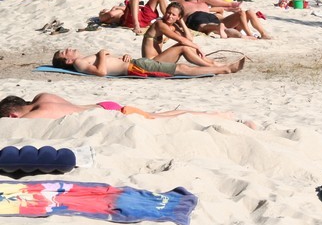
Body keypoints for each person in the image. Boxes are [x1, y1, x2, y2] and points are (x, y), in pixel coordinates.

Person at [0, 93, 256, 128]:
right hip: (106, 106)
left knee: (171, 118)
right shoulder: (42, 97)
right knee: (165, 114)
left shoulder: (31, 117)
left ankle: (226, 120)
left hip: (114, 116)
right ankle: (219, 115)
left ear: (13, 115)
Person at [51, 47, 244, 77]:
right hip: (136, 68)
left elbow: (107, 65)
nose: (68, 49)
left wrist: (122, 56)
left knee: (181, 53)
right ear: (67, 61)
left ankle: (215, 66)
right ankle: (224, 69)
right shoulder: (78, 64)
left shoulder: (82, 59)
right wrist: (102, 54)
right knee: (181, 68)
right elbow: (101, 73)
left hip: (134, 61)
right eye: (64, 52)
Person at [140, 1, 216, 66]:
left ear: (179, 17)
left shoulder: (172, 26)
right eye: (168, 13)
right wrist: (197, 47)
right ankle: (208, 65)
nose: (169, 16)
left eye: (173, 15)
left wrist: (181, 22)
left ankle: (210, 62)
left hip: (159, 59)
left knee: (187, 45)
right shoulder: (160, 24)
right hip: (150, 63)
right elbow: (182, 40)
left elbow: (189, 39)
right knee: (183, 47)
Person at [182, 0, 271, 39]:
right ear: (197, 0)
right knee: (244, 12)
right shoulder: (202, 4)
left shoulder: (185, 5)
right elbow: (220, 9)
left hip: (196, 16)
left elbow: (177, 15)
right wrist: (228, 9)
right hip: (209, 16)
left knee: (206, 26)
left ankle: (251, 35)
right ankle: (262, 34)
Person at [99, 0, 167, 34]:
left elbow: (130, 8)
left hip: (143, 14)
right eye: (104, 10)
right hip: (133, 20)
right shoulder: (113, 14)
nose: (106, 9)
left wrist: (118, 7)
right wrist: (113, 9)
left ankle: (169, 18)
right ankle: (136, 25)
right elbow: (110, 14)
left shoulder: (122, 9)